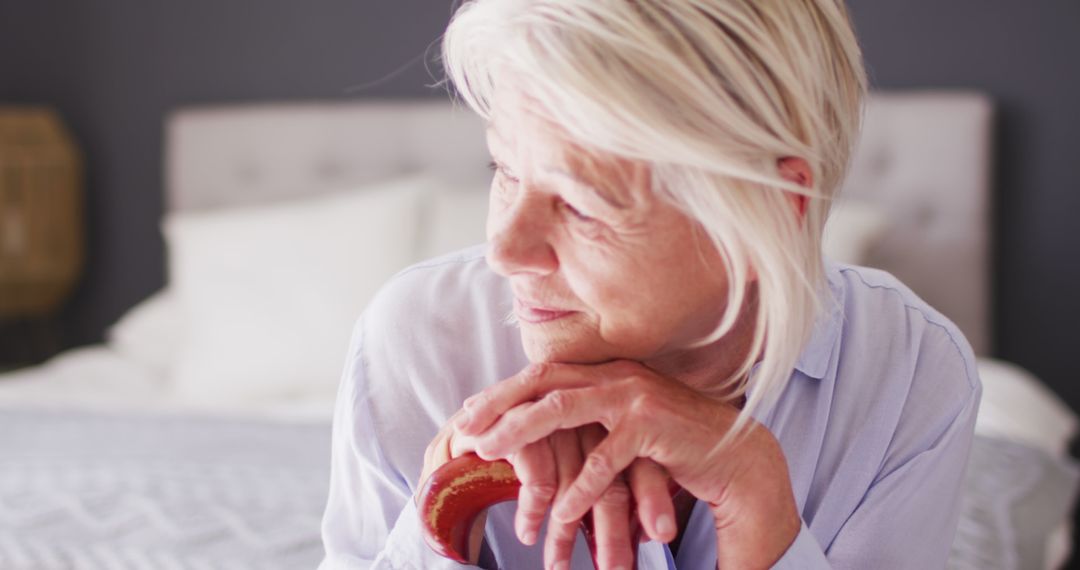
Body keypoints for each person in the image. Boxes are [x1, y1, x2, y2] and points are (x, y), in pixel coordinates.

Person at [319, 0, 981, 568]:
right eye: (505, 171)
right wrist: (446, 508)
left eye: (582, 204)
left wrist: (760, 510)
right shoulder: (417, 342)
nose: (504, 251)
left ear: (770, 216)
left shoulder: (911, 377)